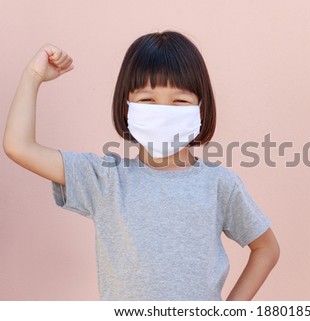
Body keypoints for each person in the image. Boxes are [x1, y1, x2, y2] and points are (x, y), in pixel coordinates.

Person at [3, 31, 280, 301]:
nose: (163, 112)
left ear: (201, 110)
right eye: (147, 100)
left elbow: (266, 248)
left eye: (179, 101)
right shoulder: (105, 179)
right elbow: (19, 147)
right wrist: (33, 77)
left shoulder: (220, 184)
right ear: (127, 109)